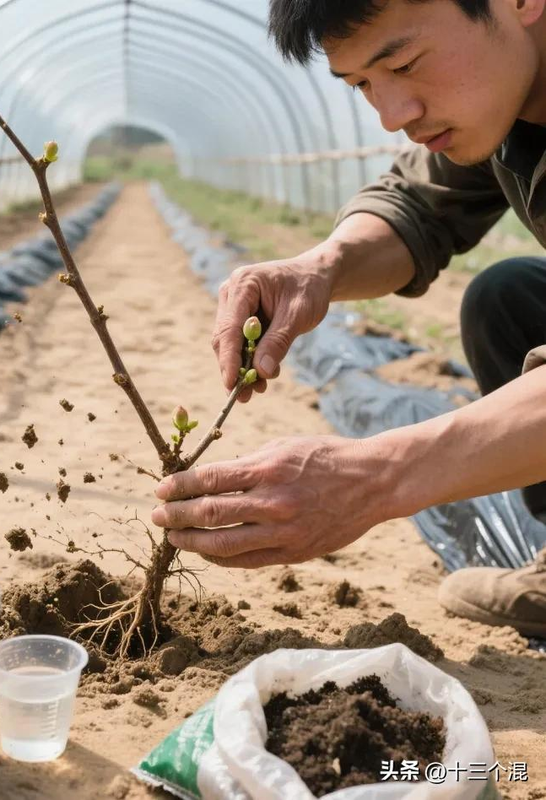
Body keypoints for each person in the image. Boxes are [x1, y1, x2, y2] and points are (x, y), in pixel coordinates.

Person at [150, 0, 546, 638]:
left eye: (405, 63)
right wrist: (319, 268)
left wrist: (373, 476)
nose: (395, 116)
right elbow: (418, 204)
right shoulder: (501, 92)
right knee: (508, 300)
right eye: (363, 85)